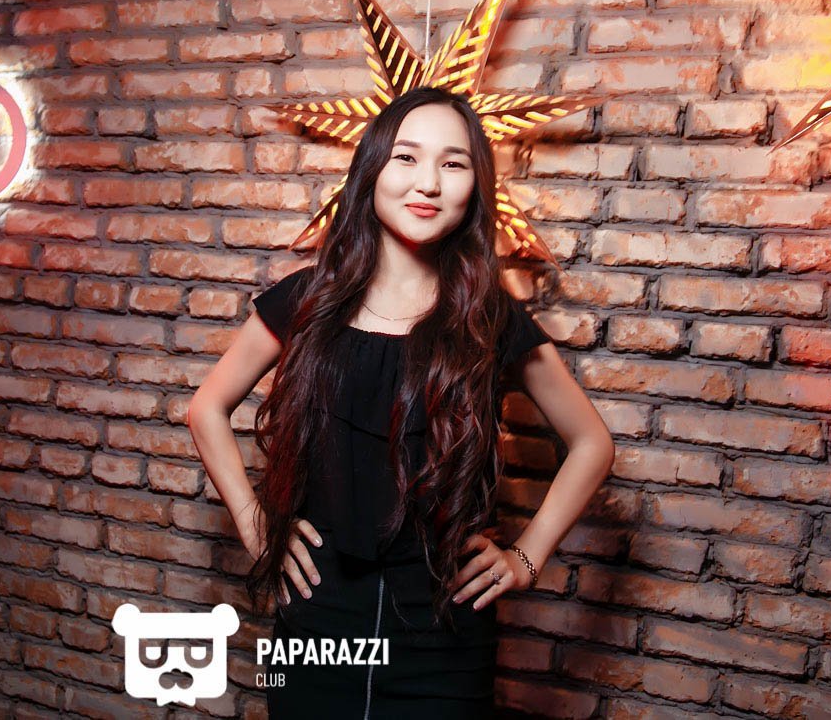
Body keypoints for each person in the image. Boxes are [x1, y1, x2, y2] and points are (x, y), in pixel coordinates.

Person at [186, 86, 615, 718]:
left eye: (453, 163)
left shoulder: (488, 317)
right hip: (318, 619)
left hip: (444, 633)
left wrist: (526, 558)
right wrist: (257, 526)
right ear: (373, 170)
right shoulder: (308, 299)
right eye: (407, 158)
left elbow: (592, 443)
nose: (428, 183)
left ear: (475, 186)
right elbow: (206, 408)